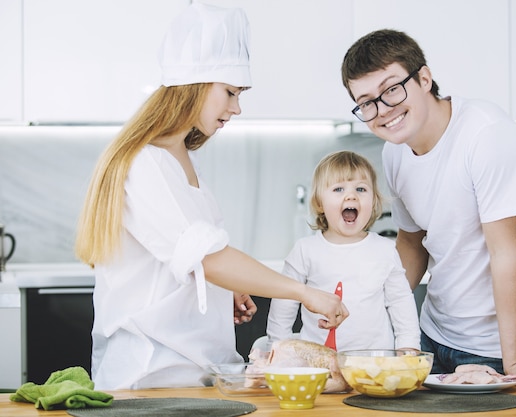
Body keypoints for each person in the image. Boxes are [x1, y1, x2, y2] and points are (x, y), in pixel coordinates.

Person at [74, 3, 347, 390]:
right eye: (230, 92)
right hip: (150, 375)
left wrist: (226, 286)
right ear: (195, 86)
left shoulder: (183, 159)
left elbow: (195, 256)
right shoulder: (146, 163)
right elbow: (207, 257)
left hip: (191, 372)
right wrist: (304, 292)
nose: (236, 108)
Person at [340, 29, 516, 389]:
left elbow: (506, 253)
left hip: (497, 348)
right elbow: (411, 244)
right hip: (432, 336)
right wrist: (371, 314)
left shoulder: (487, 135)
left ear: (424, 79)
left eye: (392, 89)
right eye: (367, 102)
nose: (383, 110)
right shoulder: (395, 151)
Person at [266, 151, 420, 351]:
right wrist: (276, 350)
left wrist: (408, 348)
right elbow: (283, 303)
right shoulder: (306, 250)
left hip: (374, 366)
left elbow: (401, 302)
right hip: (318, 366)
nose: (351, 195)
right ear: (320, 203)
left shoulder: (385, 249)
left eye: (361, 189)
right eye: (338, 189)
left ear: (373, 202)